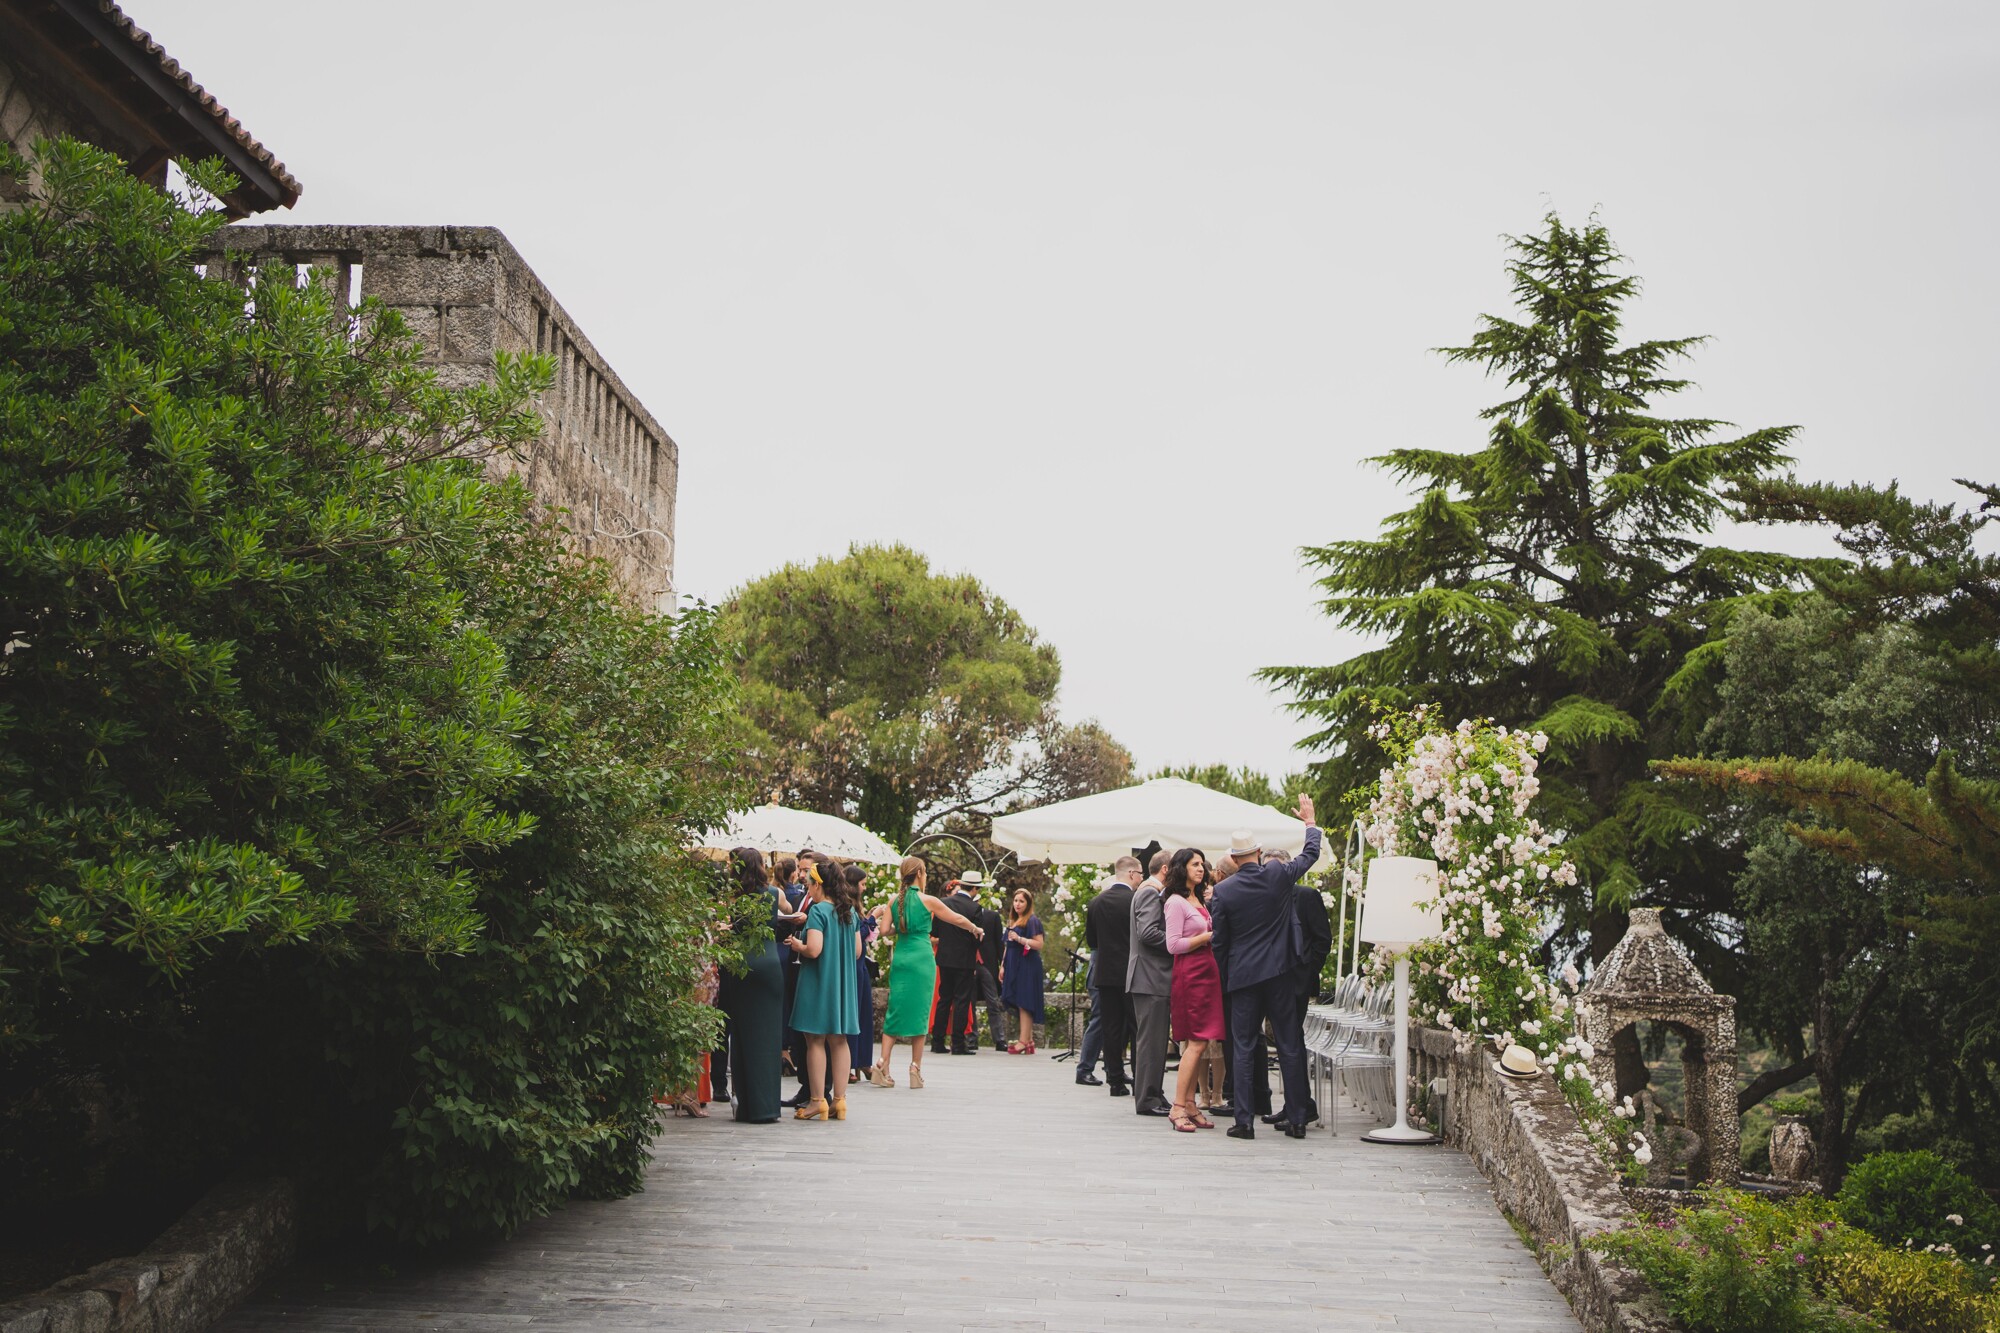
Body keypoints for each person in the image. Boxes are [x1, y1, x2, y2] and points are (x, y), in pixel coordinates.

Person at [1211, 795, 1323, 1140]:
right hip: (1279, 974)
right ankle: (1298, 1119)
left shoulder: (1224, 891)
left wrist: (1228, 976)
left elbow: (1219, 942)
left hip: (1243, 977)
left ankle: (1244, 1122)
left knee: (1243, 1047)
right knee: (1289, 1045)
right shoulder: (1276, 875)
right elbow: (1310, 855)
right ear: (1258, 853)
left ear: (1233, 858)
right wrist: (1309, 823)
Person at [870, 856, 985, 1089]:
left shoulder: (894, 901)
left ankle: (882, 1063)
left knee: (895, 1010)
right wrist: (974, 928)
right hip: (922, 958)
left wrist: (899, 928)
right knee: (921, 1012)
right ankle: (915, 1068)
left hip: (902, 958)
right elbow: (956, 919)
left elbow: (884, 931)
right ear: (920, 874)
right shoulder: (928, 900)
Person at [784, 861, 866, 1121]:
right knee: (839, 1040)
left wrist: (798, 945)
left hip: (819, 982)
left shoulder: (818, 911)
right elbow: (857, 952)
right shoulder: (850, 912)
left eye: (809, 884)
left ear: (818, 884)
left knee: (815, 1041)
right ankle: (839, 1101)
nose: (808, 889)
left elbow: (815, 949)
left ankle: (817, 1101)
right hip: (842, 984)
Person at [1259, 847, 1333, 1128]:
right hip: (1269, 980)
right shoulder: (1263, 899)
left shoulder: (1306, 896)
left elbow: (1322, 940)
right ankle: (1299, 1104)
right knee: (1286, 1042)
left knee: (1290, 1042)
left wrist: (1305, 971)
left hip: (1296, 982)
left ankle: (1299, 1107)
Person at [717, 846, 785, 1123]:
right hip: (770, 966)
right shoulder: (774, 894)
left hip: (742, 965)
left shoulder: (734, 899)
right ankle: (768, 1107)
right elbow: (789, 911)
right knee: (769, 1039)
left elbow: (727, 930)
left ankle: (746, 1106)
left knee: (743, 1036)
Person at [1163, 848, 1224, 1131]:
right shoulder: (1175, 902)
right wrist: (1206, 937)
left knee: (1200, 1041)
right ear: (1181, 869)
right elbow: (1173, 945)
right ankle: (1177, 1106)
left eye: (1202, 864)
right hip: (1191, 974)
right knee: (1197, 1041)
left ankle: (1190, 1103)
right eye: (1194, 864)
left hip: (1207, 973)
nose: (1201, 869)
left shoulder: (1196, 898)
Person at [1083, 857, 1140, 1094]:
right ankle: (1140, 1078)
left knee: (1111, 1027)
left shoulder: (1096, 902)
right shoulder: (1136, 901)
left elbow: (1092, 941)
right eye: (1139, 873)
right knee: (1137, 1028)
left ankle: (1115, 1080)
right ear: (1130, 873)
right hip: (1132, 972)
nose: (1141, 878)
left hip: (1105, 973)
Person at [1126, 849, 1174, 1117]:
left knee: (1155, 1042)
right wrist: (1180, 942)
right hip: (1150, 976)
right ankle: (1147, 1099)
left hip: (1153, 977)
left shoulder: (1153, 892)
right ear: (1166, 869)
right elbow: (1148, 933)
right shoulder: (1148, 892)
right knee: (1150, 1042)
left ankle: (1154, 1093)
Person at [931, 874, 984, 1055]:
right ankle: (958, 1043)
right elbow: (977, 939)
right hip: (964, 959)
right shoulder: (975, 908)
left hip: (945, 958)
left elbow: (935, 931)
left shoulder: (943, 903)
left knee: (944, 998)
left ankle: (937, 1041)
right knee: (962, 1000)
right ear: (975, 889)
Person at [775, 851, 813, 1107]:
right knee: (799, 1035)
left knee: (810, 1036)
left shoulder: (818, 903)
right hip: (794, 964)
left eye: (806, 870)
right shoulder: (802, 896)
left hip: (806, 964)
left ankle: (816, 1091)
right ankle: (805, 1088)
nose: (801, 874)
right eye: (800, 869)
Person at [999, 888, 1046, 1052]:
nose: (1018, 904)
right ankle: (1029, 1040)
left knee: (1024, 1001)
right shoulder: (1013, 920)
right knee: (1018, 1000)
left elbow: (1039, 944)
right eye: (1016, 901)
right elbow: (1007, 946)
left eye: (1021, 901)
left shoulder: (1032, 920)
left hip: (1027, 964)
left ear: (1028, 903)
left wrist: (1020, 939)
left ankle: (1023, 1041)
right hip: (1013, 963)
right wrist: (1003, 965)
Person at [848, 875, 879, 1085]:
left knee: (865, 1013)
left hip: (861, 966)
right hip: (854, 965)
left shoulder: (856, 906)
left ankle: (862, 1060)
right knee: (854, 1014)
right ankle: (851, 1063)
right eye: (862, 883)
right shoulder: (847, 907)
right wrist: (873, 918)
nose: (865, 887)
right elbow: (857, 934)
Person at [973, 889, 1008, 1051]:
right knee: (969, 1002)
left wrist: (1003, 964)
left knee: (993, 1001)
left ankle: (999, 1039)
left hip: (987, 964)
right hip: (969, 964)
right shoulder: (963, 916)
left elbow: (999, 943)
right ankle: (971, 1037)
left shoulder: (992, 916)